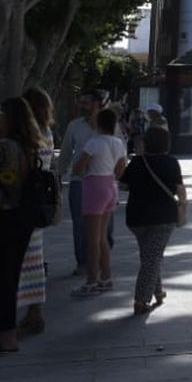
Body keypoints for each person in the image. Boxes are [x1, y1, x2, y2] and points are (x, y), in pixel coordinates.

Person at [0, 96, 46, 354]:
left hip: (1, 215)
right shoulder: (31, 146)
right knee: (8, 274)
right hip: (22, 217)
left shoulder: (1, 147)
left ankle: (5, 335)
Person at [119, 126, 185, 315]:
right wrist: (183, 206)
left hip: (137, 218)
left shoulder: (137, 162)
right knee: (151, 257)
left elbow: (123, 185)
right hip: (163, 218)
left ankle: (158, 291)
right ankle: (141, 300)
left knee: (149, 255)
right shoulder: (171, 162)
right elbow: (180, 189)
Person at [70, 108, 127, 297]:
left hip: (94, 186)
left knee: (91, 239)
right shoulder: (119, 143)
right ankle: (106, 277)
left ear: (99, 123)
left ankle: (92, 280)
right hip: (111, 185)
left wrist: (81, 170)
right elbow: (121, 168)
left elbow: (78, 167)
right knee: (102, 236)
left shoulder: (93, 143)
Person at [55, 90, 113, 277]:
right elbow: (65, 153)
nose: (81, 107)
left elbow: (119, 151)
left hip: (104, 181)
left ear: (97, 104)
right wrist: (58, 174)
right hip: (79, 182)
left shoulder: (111, 125)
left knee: (106, 227)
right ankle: (83, 262)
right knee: (80, 225)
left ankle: (102, 262)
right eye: (79, 102)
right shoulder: (74, 126)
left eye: (85, 103)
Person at [15, 88, 57, 336]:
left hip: (25, 201)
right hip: (39, 202)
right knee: (34, 259)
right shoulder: (47, 132)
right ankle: (34, 311)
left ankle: (33, 313)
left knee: (25, 259)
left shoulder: (31, 135)